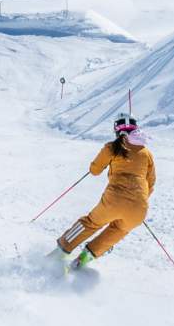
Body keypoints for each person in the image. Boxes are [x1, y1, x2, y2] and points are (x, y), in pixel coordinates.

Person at [57, 115, 155, 269]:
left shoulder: (112, 147)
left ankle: (61, 249)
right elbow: (151, 182)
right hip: (139, 208)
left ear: (116, 129)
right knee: (118, 230)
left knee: (91, 223)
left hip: (113, 201)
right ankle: (84, 258)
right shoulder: (146, 153)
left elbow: (95, 170)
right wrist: (137, 202)